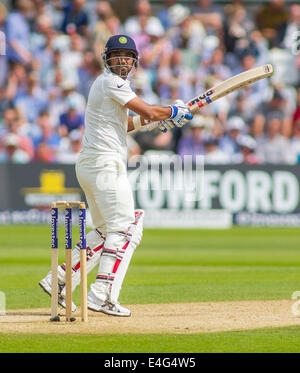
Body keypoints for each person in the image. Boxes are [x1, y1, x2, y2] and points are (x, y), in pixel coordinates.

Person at [39, 34, 193, 316]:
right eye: (116, 55)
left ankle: (59, 279)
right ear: (106, 59)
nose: (122, 60)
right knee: (127, 227)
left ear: (134, 61)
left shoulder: (112, 87)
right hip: (104, 165)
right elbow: (147, 109)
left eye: (127, 56)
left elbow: (126, 124)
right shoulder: (112, 82)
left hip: (93, 164)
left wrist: (158, 119)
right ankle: (102, 294)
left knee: (107, 231)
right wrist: (172, 110)